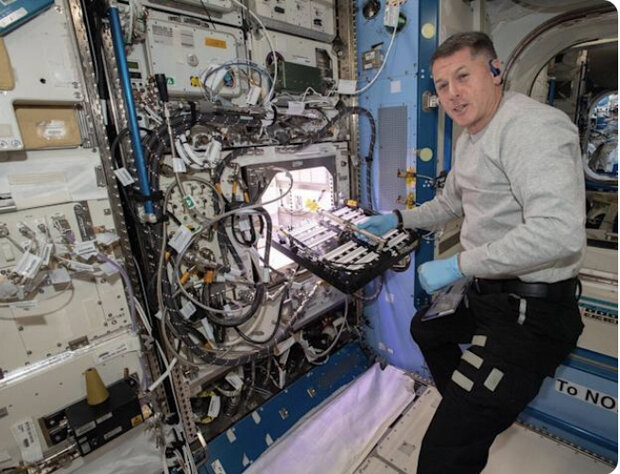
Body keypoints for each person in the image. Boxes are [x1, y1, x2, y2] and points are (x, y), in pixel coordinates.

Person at [358, 32, 585, 473]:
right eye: (442, 85)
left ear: (495, 71)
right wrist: (398, 219)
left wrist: (457, 264)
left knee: (442, 455)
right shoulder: (470, 138)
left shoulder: (531, 128)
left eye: (463, 77)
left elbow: (559, 234)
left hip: (532, 313)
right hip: (489, 294)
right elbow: (450, 204)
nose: (452, 94)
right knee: (426, 329)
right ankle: (470, 406)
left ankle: (468, 416)